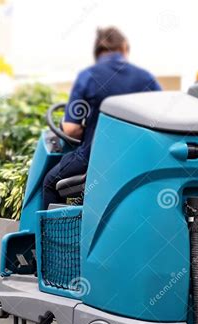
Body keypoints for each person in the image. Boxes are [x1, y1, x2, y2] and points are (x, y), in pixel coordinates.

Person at [42, 26, 161, 208]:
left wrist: (84, 130)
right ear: (124, 47)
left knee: (50, 183)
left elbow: (70, 129)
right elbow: (161, 121)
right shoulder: (146, 78)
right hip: (138, 159)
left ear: (97, 51)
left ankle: (50, 237)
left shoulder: (87, 77)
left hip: (94, 159)